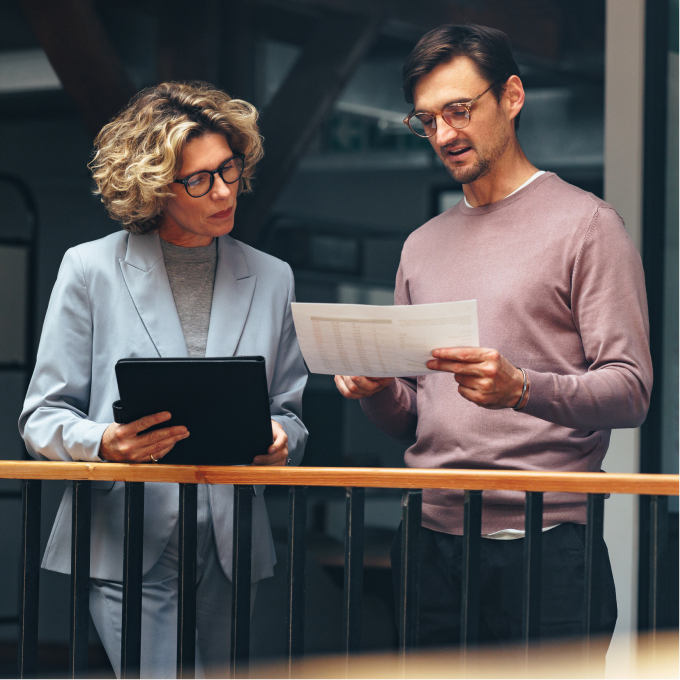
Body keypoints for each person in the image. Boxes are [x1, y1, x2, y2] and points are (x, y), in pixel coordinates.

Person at [334, 24, 652, 652]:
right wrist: (374, 390)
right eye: (427, 120)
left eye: (459, 109)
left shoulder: (589, 226)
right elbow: (415, 418)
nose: (445, 134)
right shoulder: (421, 246)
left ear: (511, 95)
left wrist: (522, 389)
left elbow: (631, 390)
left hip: (547, 546)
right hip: (427, 544)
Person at [19, 81, 308, 679]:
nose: (225, 190)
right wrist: (104, 443)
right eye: (199, 179)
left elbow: (290, 413)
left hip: (232, 543)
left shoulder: (273, 277)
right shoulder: (89, 270)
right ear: (153, 185)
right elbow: (41, 418)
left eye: (229, 169)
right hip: (126, 536)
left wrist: (284, 439)